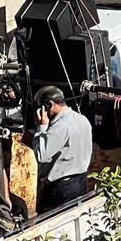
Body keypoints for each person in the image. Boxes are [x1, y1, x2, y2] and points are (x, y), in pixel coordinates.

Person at [30, 85, 93, 213]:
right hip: (80, 182)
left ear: (48, 105)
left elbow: (42, 155)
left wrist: (41, 127)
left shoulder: (59, 126)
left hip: (61, 188)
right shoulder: (82, 119)